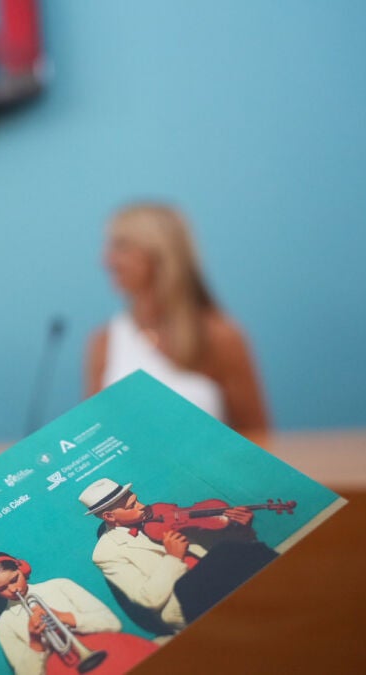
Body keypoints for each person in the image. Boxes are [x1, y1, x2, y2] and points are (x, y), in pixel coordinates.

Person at [84, 202, 269, 443]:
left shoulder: (220, 337)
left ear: (159, 253)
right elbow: (94, 439)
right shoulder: (104, 341)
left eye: (122, 246)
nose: (107, 261)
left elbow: (258, 438)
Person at [81, 478, 276, 634]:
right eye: (132, 506)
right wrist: (173, 558)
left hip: (218, 577)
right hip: (183, 602)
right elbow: (147, 600)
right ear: (109, 517)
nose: (142, 506)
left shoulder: (163, 515)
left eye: (137, 499)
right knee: (225, 556)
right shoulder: (106, 553)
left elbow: (214, 546)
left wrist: (240, 528)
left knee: (249, 553)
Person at [0, 552, 124, 675]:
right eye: (2, 588)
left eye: (14, 579)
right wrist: (35, 641)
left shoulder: (60, 586)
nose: (13, 589)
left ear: (23, 569)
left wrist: (64, 617)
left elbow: (113, 624)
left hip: (108, 655)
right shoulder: (4, 625)